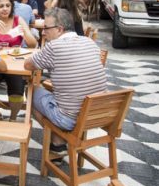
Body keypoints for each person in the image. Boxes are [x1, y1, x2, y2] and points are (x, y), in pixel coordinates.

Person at [24, 8, 107, 155]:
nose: (43, 33)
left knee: (31, 90)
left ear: (59, 29)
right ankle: (58, 141)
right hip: (97, 113)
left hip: (70, 119)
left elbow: (28, 65)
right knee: (50, 90)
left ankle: (58, 140)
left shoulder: (54, 47)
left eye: (46, 28)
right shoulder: (89, 42)